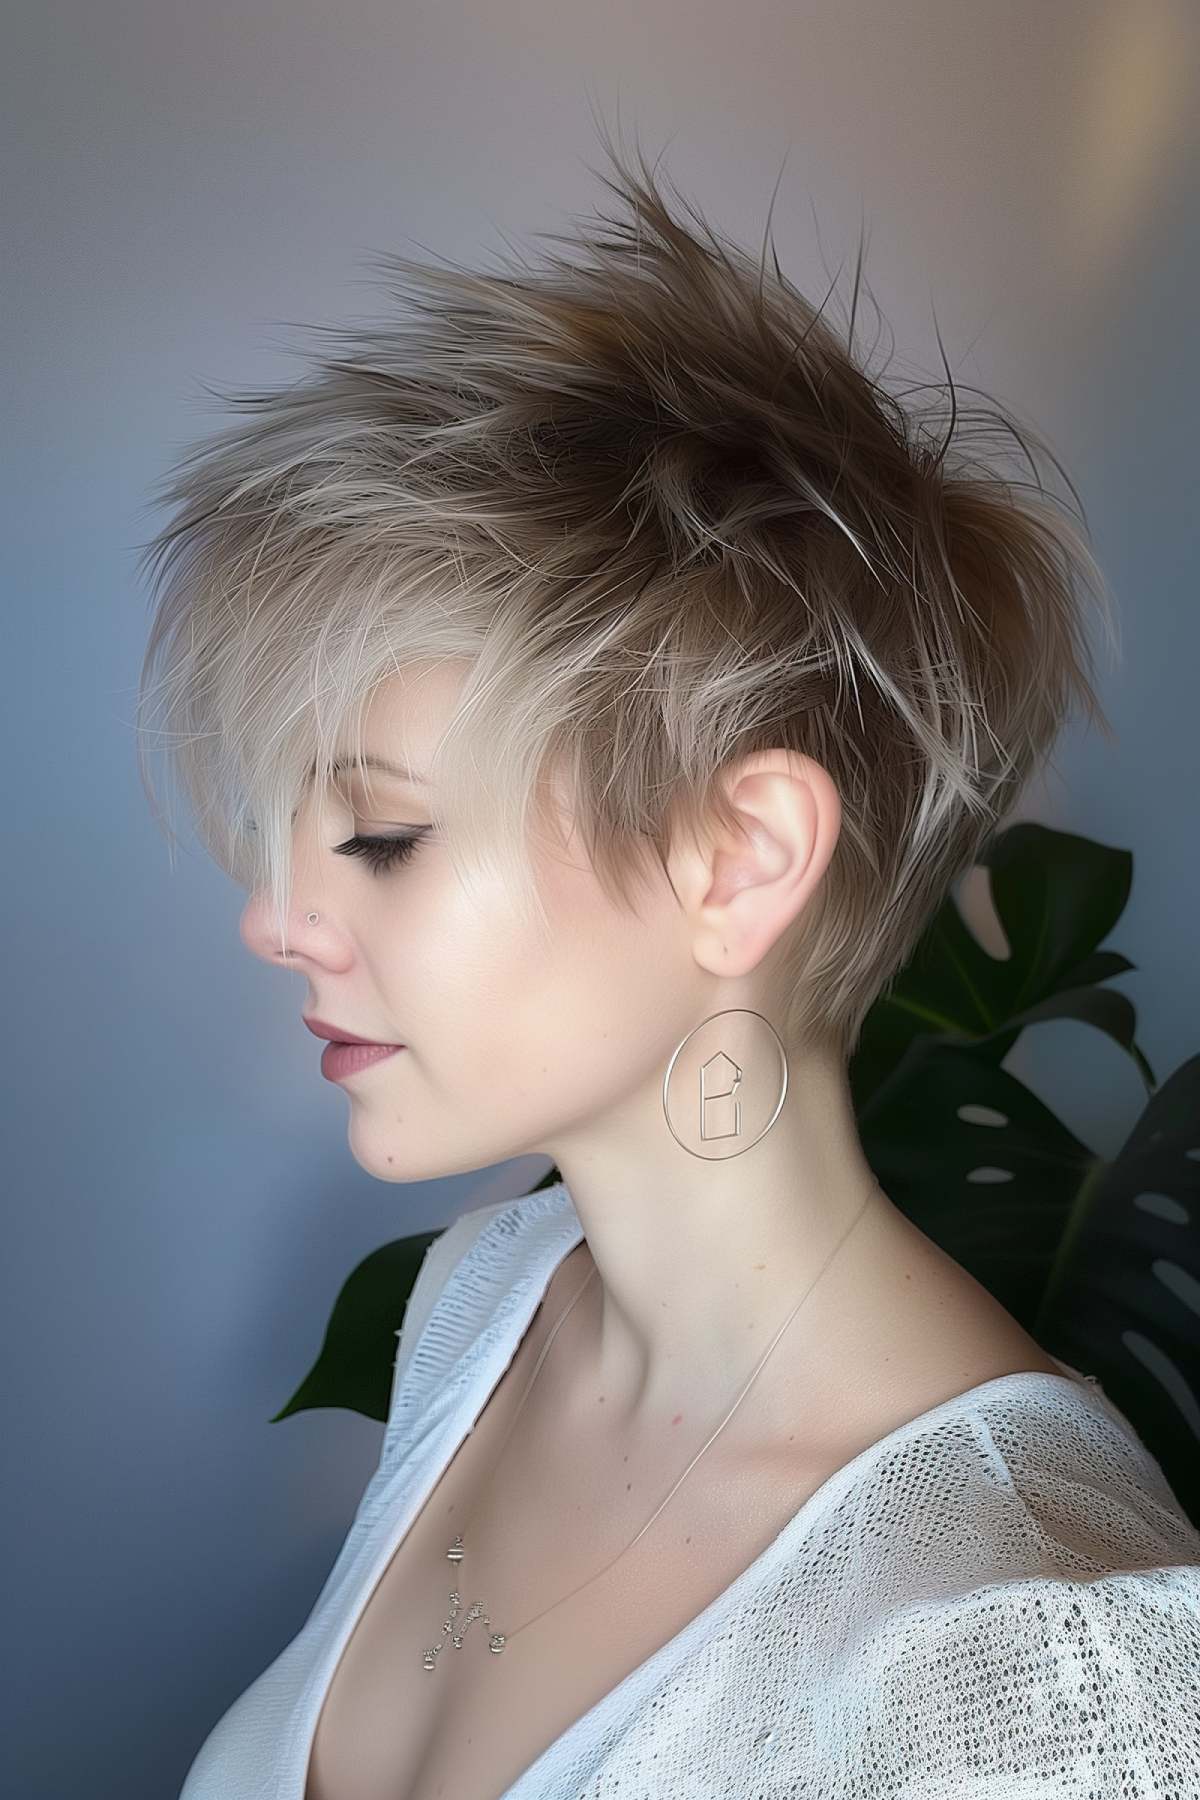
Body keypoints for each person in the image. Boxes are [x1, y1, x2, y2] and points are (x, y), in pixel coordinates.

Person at [139, 132, 1200, 1800]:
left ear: (741, 856)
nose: (276, 915)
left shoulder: (1039, 1661)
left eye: (386, 835)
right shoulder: (482, 1306)